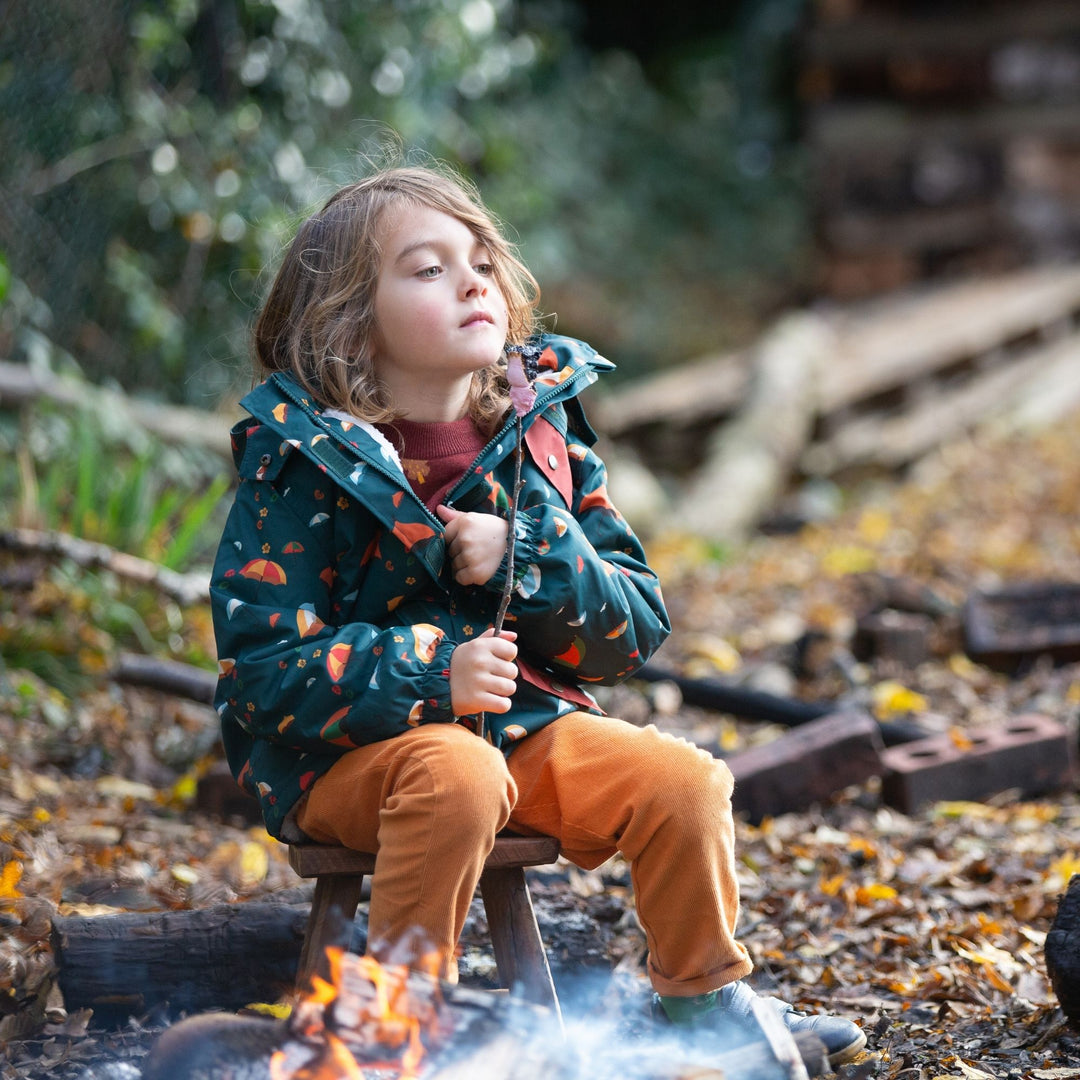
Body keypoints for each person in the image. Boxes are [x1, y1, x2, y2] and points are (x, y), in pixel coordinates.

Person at [209, 163, 866, 1066]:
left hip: (520, 735)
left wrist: (527, 552)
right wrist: (433, 674)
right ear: (350, 323)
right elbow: (258, 675)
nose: (473, 279)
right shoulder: (299, 464)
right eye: (429, 268)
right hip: (344, 764)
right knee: (455, 776)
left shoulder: (539, 434)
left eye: (481, 260)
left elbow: (633, 626)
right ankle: (395, 1037)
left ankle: (704, 1008)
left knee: (685, 784)